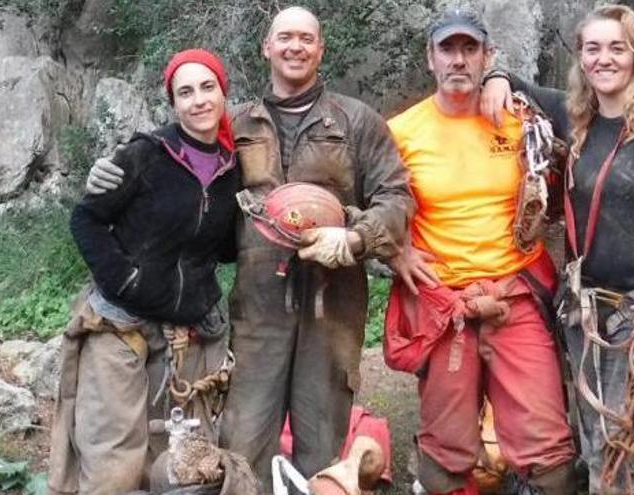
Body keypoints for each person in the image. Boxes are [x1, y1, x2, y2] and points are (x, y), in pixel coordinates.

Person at [85, 6, 413, 490]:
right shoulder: (233, 125)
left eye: (306, 38)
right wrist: (111, 174)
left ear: (321, 49)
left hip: (334, 301)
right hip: (258, 303)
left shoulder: (357, 121)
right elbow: (172, 158)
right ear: (267, 48)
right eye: (285, 37)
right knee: (243, 435)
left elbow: (396, 195)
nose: (295, 46)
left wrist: (358, 237)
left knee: (322, 434)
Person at [481, 5, 634, 494]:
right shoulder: (577, 118)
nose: (604, 59)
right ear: (580, 58)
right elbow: (514, 82)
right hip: (586, 309)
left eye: (617, 47)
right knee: (599, 433)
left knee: (617, 443)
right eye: (592, 49)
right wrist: (494, 76)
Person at [384, 7, 577, 495]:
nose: (458, 60)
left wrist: (504, 81)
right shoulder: (402, 132)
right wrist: (396, 252)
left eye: (470, 49)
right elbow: (374, 200)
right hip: (444, 302)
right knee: (446, 448)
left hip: (516, 293)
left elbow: (593, 113)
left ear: (486, 56)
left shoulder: (518, 118)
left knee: (547, 444)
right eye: (447, 49)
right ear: (430, 58)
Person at [48, 49, 242, 494]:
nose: (198, 100)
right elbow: (87, 219)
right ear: (173, 103)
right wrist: (124, 280)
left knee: (177, 462)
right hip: (121, 325)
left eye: (207, 87)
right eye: (185, 92)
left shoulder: (233, 170)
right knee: (113, 460)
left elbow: (224, 247)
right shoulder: (145, 155)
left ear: (223, 92)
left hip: (186, 332)